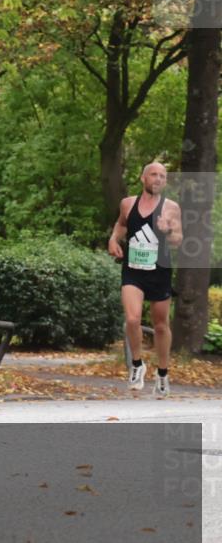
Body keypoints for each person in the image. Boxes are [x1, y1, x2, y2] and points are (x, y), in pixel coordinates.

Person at [108, 162, 183, 397]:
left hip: (159, 271)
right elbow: (121, 224)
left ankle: (162, 373)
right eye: (154, 174)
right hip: (133, 270)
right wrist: (113, 240)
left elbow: (178, 240)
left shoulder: (171, 208)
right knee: (132, 318)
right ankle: (137, 365)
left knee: (161, 325)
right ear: (143, 178)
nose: (158, 179)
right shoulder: (128, 204)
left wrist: (168, 230)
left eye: (162, 176)